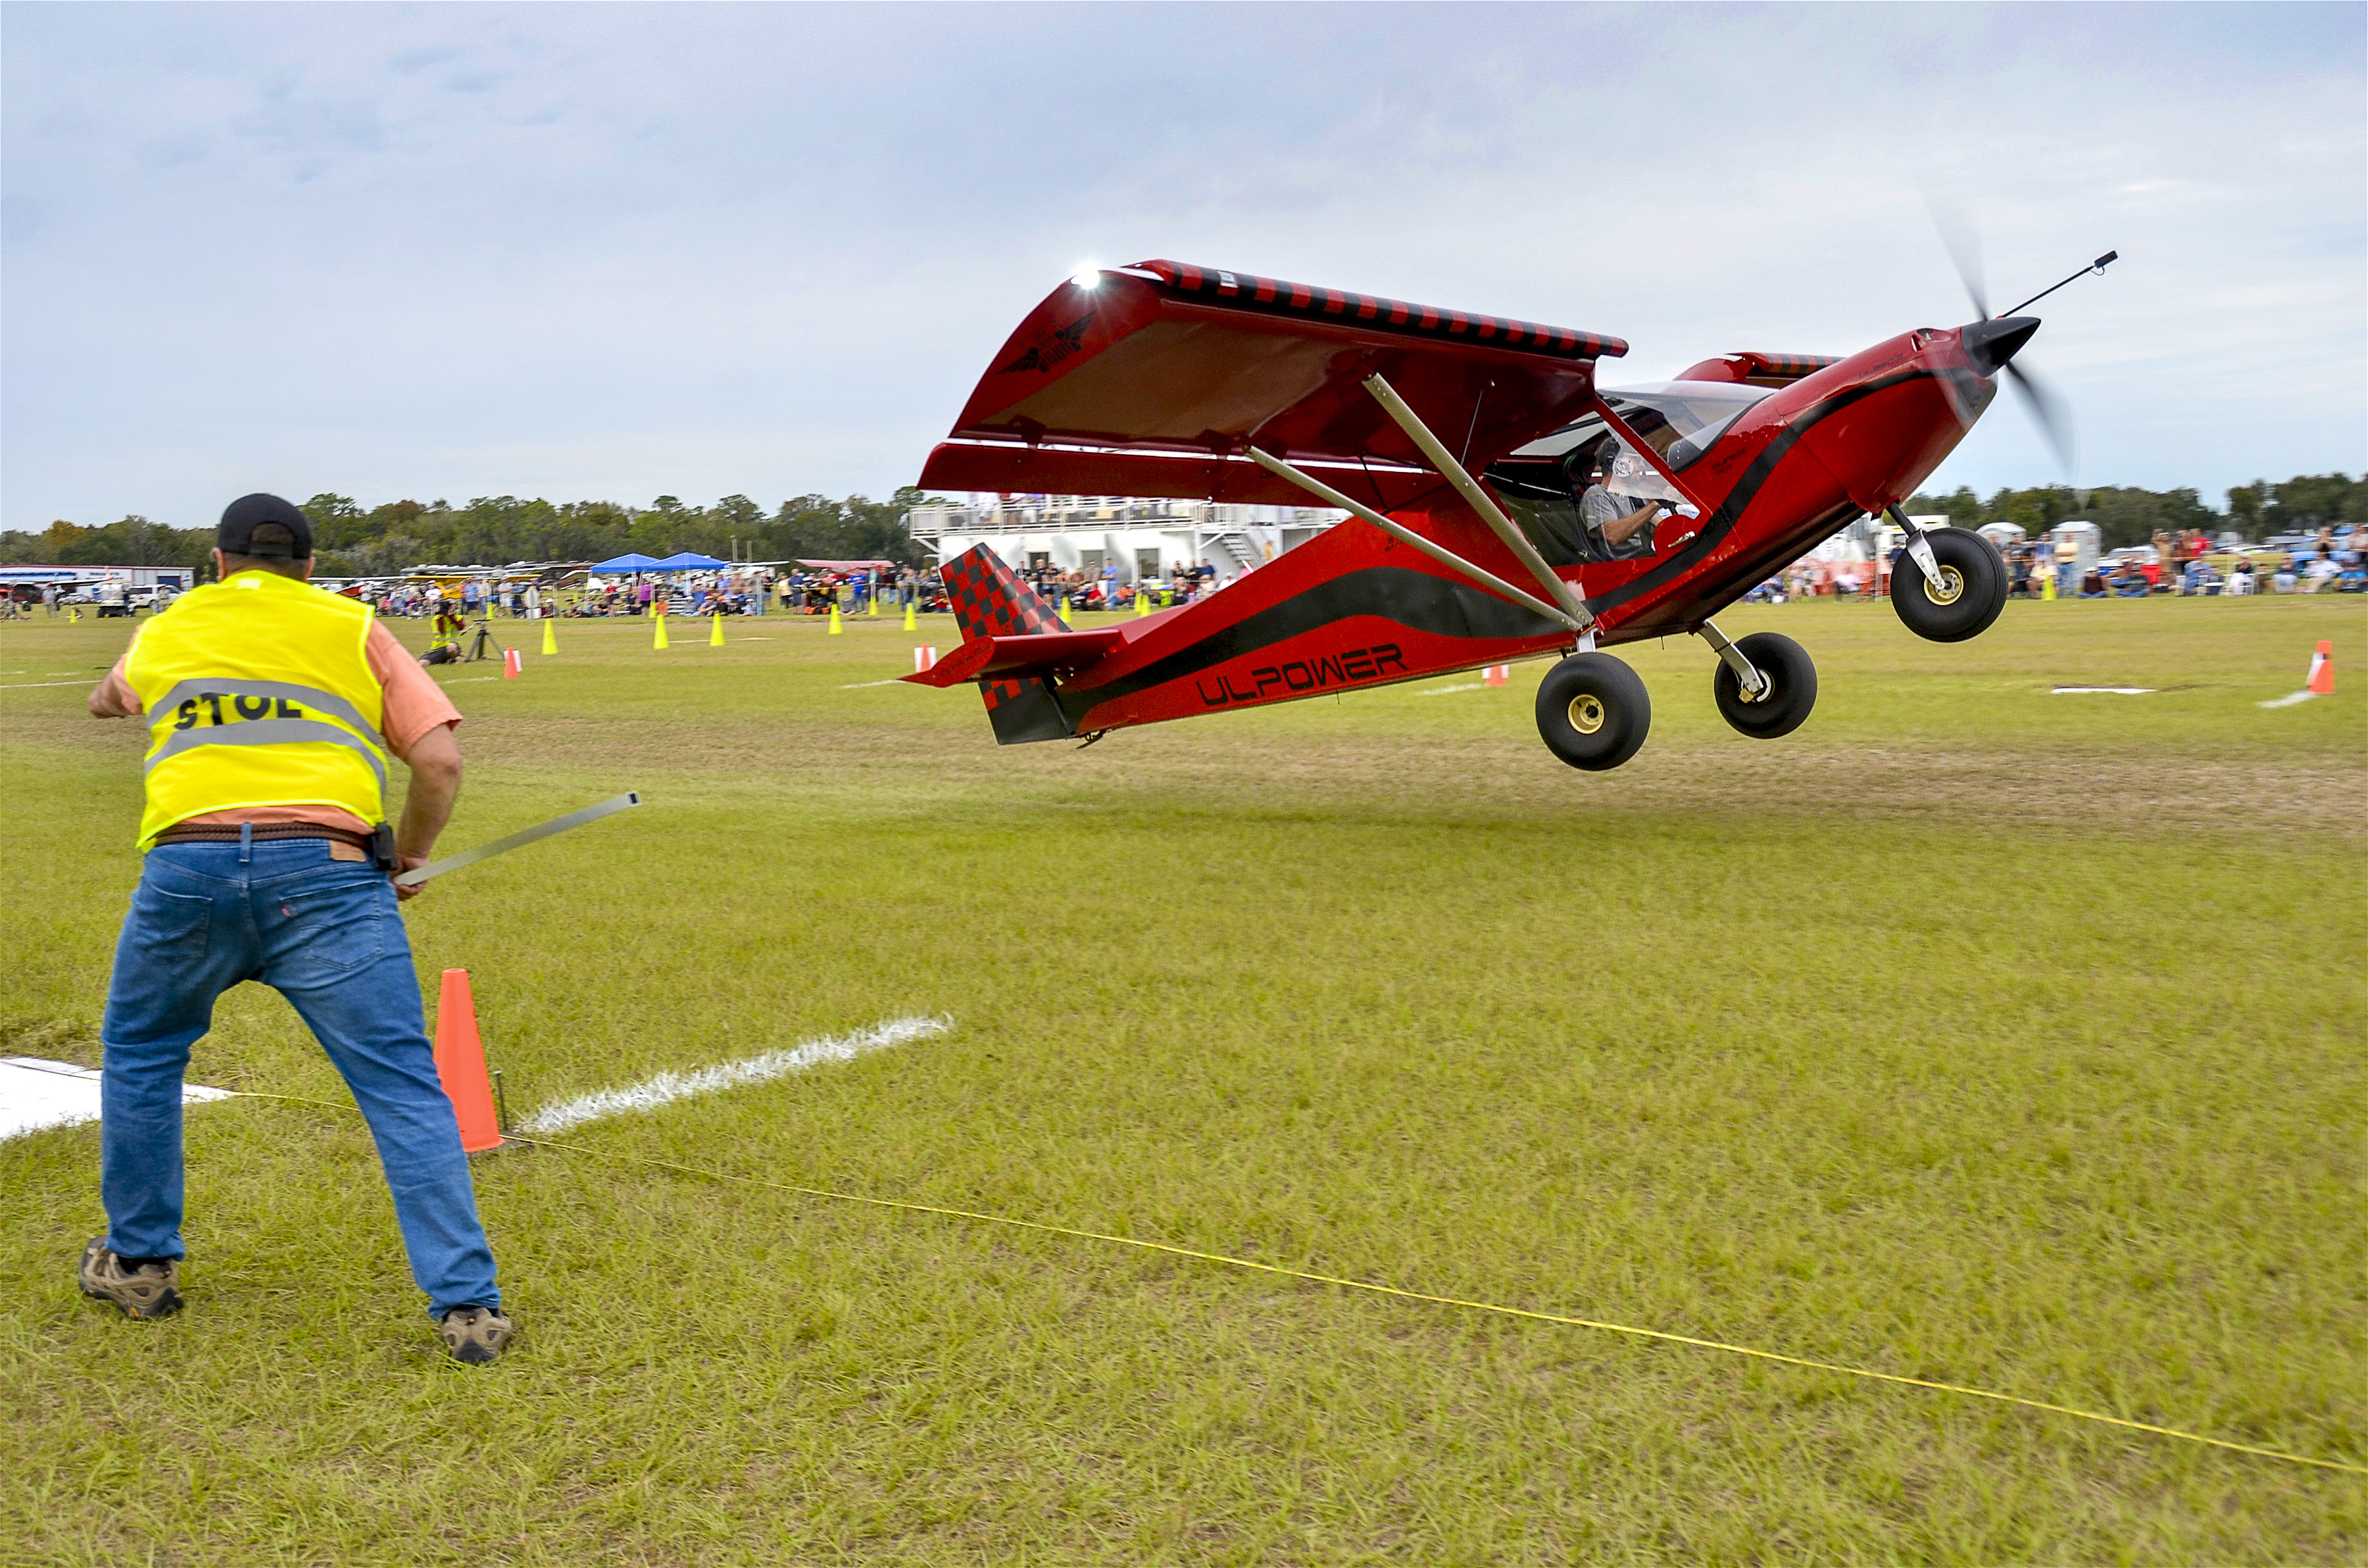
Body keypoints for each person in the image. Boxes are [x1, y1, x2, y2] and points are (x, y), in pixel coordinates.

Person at [78, 493, 511, 1364]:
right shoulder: (352, 627)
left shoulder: (169, 626)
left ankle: (139, 1263)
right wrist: (410, 859)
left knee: (143, 1053)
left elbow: (106, 702)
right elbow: (439, 759)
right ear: (311, 567)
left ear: (219, 561)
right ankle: (467, 1310)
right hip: (332, 875)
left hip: (187, 870)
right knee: (401, 1086)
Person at [1578, 440, 1668, 556]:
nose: (1642, 466)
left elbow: (1663, 529)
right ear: (1613, 462)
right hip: (1626, 568)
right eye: (1636, 459)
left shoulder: (1634, 495)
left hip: (1647, 560)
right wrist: (1655, 504)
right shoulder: (1597, 495)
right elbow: (1613, 536)